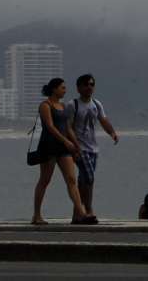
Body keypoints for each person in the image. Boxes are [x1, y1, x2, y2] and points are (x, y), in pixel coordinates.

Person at [31, 78, 92, 225]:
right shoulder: (45, 105)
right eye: (62, 88)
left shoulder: (63, 106)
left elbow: (67, 128)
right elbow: (50, 127)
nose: (65, 90)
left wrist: (76, 144)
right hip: (49, 146)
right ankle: (36, 215)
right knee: (45, 180)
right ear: (54, 89)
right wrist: (65, 141)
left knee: (71, 179)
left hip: (64, 148)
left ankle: (81, 213)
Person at [66, 74, 119, 221]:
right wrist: (74, 145)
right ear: (79, 88)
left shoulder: (96, 104)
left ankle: (77, 213)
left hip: (93, 148)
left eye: (92, 84)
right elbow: (68, 127)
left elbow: (103, 120)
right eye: (86, 84)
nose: (89, 87)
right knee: (89, 177)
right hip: (79, 148)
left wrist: (112, 133)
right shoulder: (73, 105)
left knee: (84, 180)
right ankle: (88, 210)